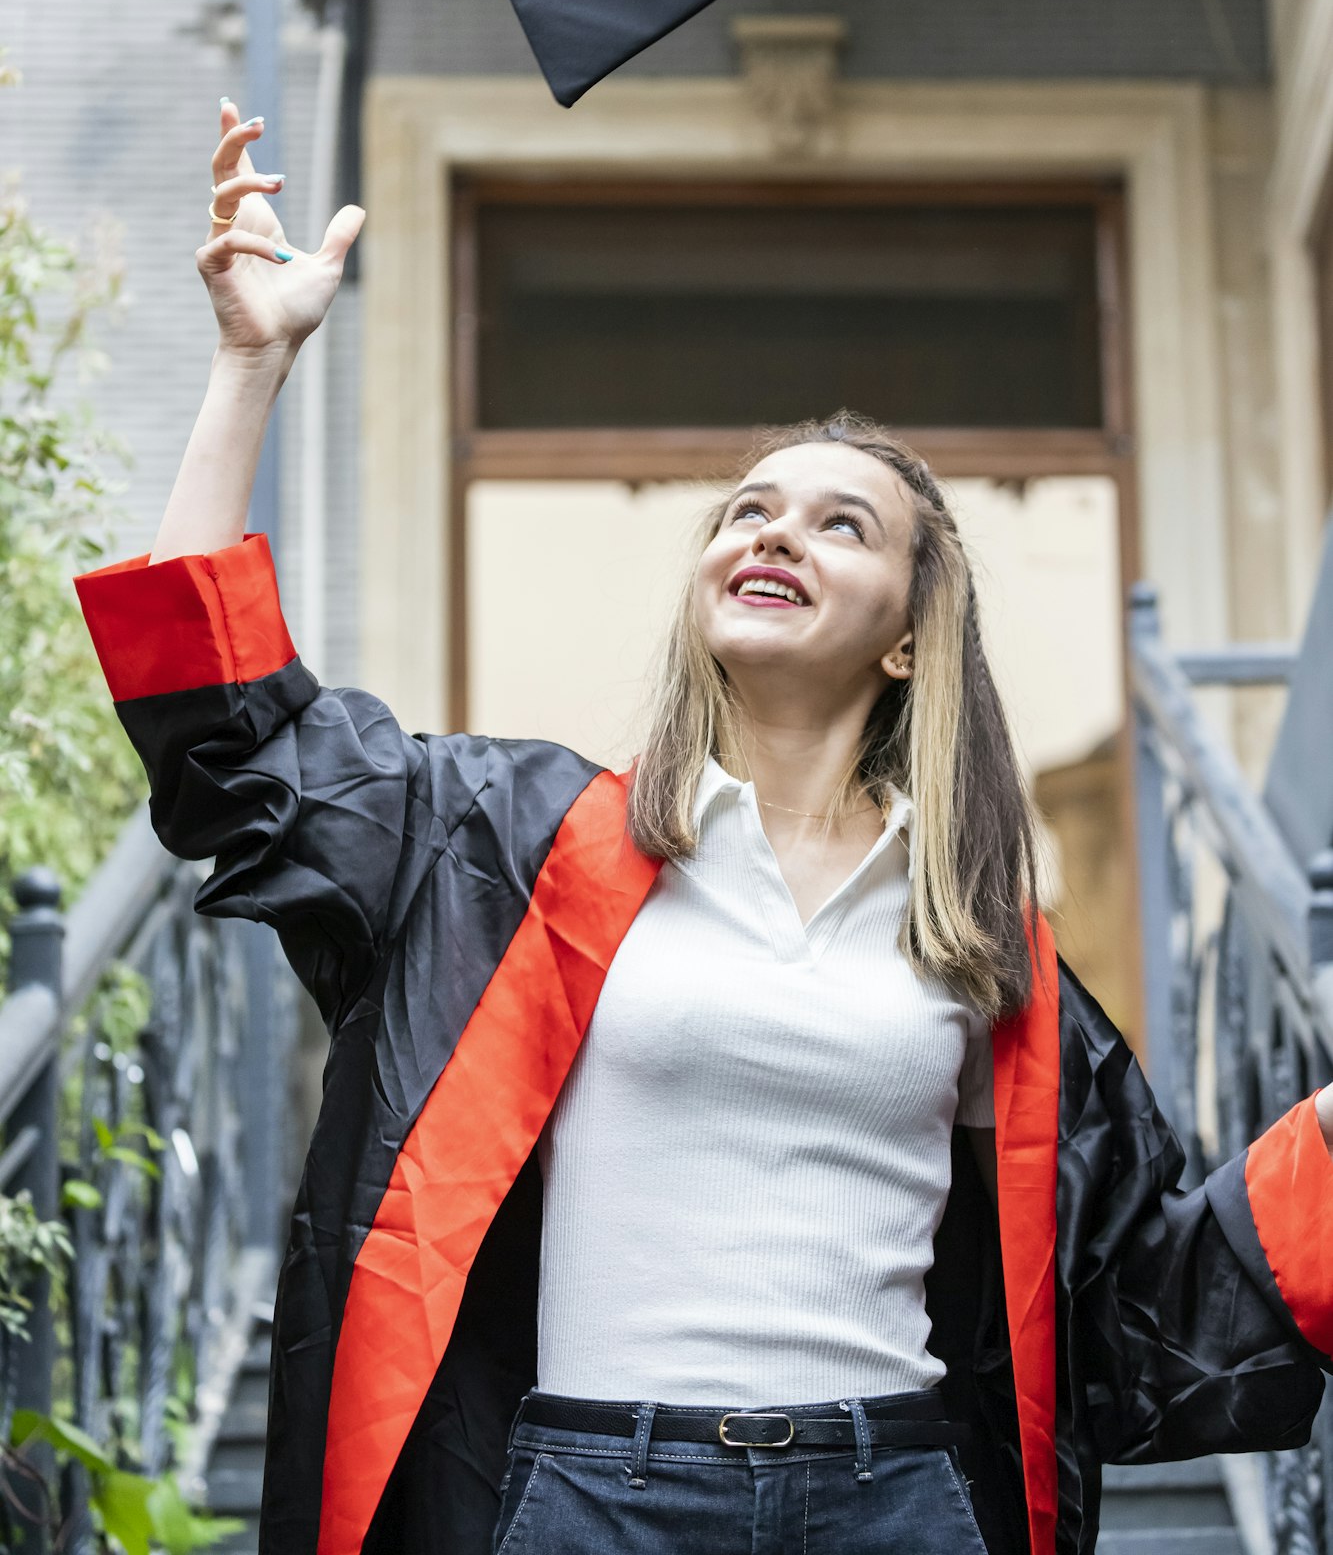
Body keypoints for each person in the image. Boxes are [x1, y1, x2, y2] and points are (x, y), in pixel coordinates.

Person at [75, 105, 1333, 1555]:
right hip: (596, 1493)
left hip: (895, 1493)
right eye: (749, 508)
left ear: (912, 641)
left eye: (840, 523)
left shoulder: (978, 945)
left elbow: (1134, 1299)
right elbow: (235, 741)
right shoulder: (502, 848)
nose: (773, 532)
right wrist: (249, 364)